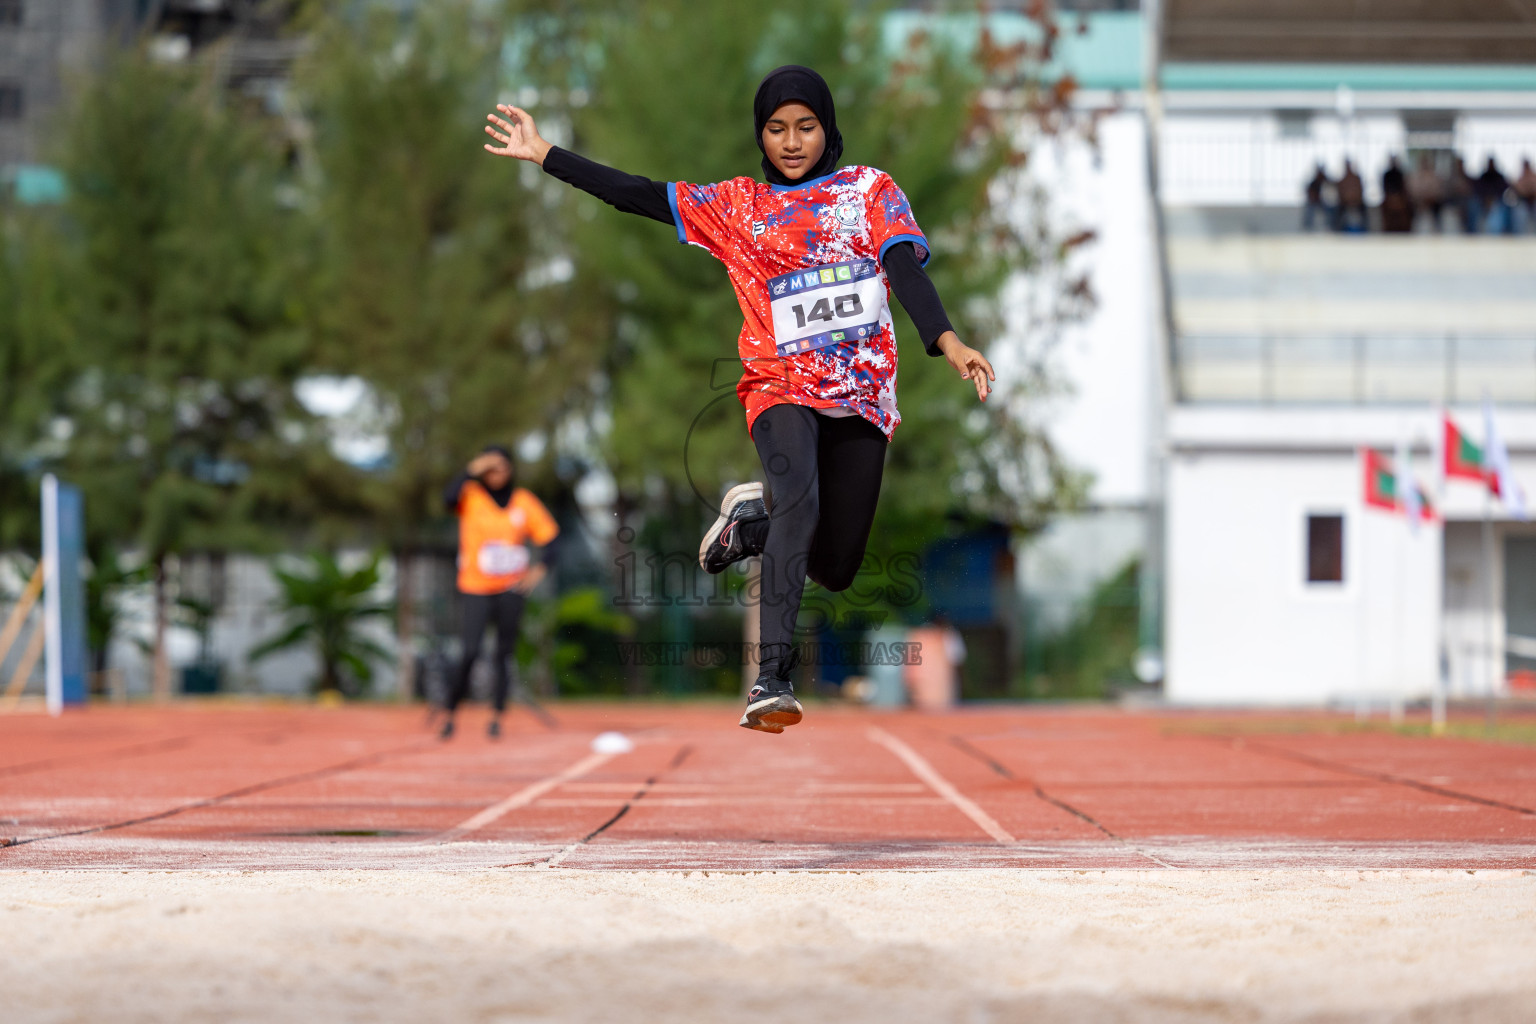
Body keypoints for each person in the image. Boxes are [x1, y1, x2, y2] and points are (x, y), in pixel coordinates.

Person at [482, 65, 994, 733]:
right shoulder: (737, 206)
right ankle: (770, 681)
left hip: (861, 395)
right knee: (801, 502)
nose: (791, 141)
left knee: (837, 567)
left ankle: (752, 523)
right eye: (776, 128)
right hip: (778, 386)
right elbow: (636, 194)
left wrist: (948, 341)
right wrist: (546, 154)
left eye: (805, 127)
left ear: (826, 129)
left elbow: (903, 267)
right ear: (761, 134)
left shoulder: (867, 191)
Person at [440, 445, 560, 740]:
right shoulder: (470, 496)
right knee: (469, 650)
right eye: (489, 469)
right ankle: (451, 712)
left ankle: (496, 717)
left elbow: (552, 540)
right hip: (475, 587)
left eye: (501, 467)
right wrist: (472, 468)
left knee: (503, 654)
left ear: (511, 469)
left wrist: (538, 570)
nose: (495, 474)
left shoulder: (523, 502)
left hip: (511, 589)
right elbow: (447, 498)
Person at [1407, 154, 1444, 232]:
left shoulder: (1434, 176)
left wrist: (1428, 199)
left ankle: (1437, 231)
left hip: (1432, 203)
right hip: (1417, 203)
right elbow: (1412, 191)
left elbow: (1437, 191)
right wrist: (1420, 200)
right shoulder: (1414, 176)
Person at [1475, 157, 1512, 235]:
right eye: (1489, 163)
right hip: (1483, 201)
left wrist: (1493, 199)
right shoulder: (1483, 177)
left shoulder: (1499, 177)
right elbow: (1478, 190)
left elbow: (1505, 190)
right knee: (1473, 205)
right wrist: (1486, 199)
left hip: (1498, 201)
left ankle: (1499, 234)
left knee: (1501, 208)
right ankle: (1475, 234)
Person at [1379, 156, 1412, 233]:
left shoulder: (1400, 173)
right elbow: (1385, 187)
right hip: (1389, 197)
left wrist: (1398, 197)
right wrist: (1392, 197)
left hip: (1400, 197)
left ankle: (1406, 229)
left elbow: (1403, 187)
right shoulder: (1386, 174)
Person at [1301, 163, 1335, 231]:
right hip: (1315, 203)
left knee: (1332, 210)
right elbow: (1310, 194)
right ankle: (1307, 228)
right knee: (1309, 209)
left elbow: (1332, 193)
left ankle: (1331, 228)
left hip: (1326, 203)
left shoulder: (1327, 181)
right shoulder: (1313, 183)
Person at [1335, 160, 1366, 232]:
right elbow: (1340, 195)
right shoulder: (1342, 180)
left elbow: (1360, 192)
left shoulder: (1357, 178)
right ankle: (1339, 231)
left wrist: (1354, 200)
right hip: (1345, 205)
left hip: (1357, 204)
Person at [1513, 158, 1536, 233]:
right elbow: (1520, 190)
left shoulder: (1533, 176)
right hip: (1523, 202)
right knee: (1519, 212)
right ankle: (1521, 236)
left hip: (1533, 202)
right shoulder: (1520, 177)